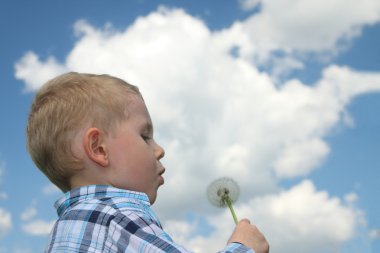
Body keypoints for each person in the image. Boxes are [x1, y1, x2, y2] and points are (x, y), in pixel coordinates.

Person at [26, 72, 269, 253]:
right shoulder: (116, 217)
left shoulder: (67, 229)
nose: (160, 150)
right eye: (145, 136)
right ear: (98, 148)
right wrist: (244, 247)